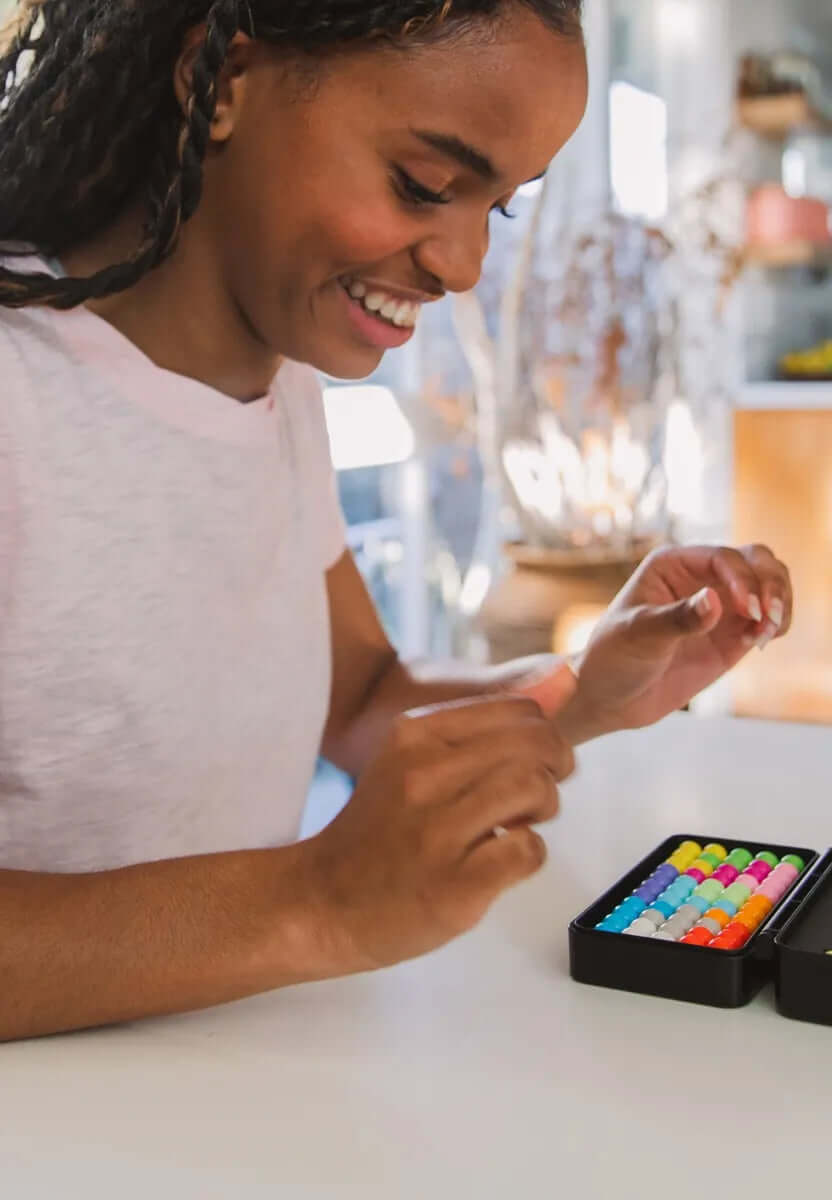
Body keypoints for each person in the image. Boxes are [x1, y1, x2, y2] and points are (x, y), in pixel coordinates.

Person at [0, 0, 792, 1042]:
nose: (464, 265)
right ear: (221, 80)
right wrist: (316, 902)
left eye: (496, 208)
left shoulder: (281, 390)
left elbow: (363, 698)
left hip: (220, 1080)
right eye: (424, 184)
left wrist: (578, 692)